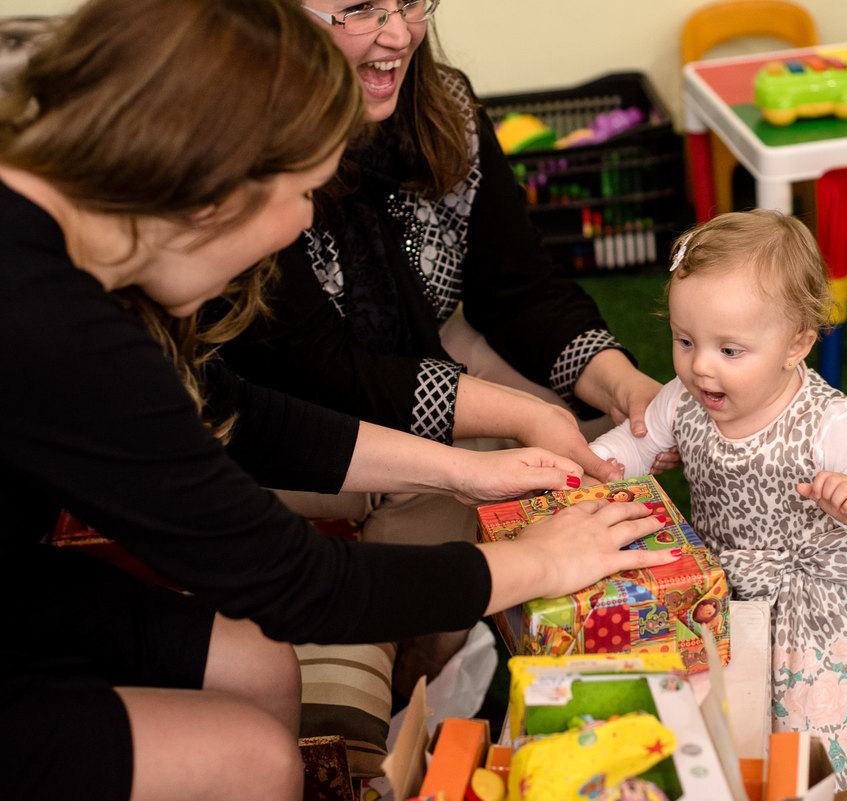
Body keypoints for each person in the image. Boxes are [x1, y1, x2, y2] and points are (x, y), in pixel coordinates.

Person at [0, 2, 680, 800]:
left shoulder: (69, 242)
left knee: (256, 664)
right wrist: (534, 563)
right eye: (302, 193)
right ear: (210, 189)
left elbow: (231, 413)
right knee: (251, 757)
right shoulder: (52, 324)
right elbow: (294, 580)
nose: (297, 225)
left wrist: (464, 473)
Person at [217, 0, 678, 549]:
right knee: (449, 469)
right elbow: (323, 373)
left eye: (409, 3)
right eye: (362, 9)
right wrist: (518, 418)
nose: (397, 35)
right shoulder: (237, 154)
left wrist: (620, 386)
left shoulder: (445, 109)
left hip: (403, 347)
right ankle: (446, 626)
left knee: (590, 421)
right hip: (273, 402)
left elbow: (518, 288)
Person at [589, 210, 847, 790]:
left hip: (822, 594)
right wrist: (595, 468)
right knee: (731, 702)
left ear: (796, 343)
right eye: (684, 340)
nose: (700, 366)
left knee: (813, 720)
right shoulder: (685, 398)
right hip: (725, 577)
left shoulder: (830, 420)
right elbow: (633, 445)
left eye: (730, 349)